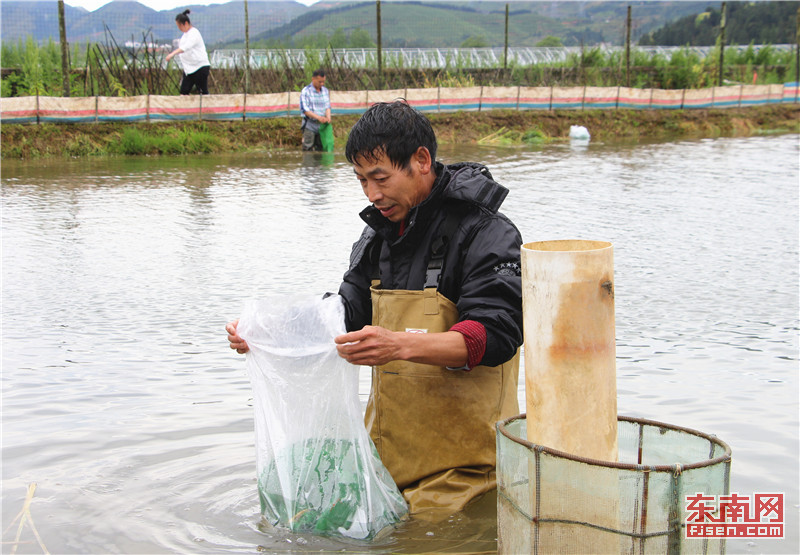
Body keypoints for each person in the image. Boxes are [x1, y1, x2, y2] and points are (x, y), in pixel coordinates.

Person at [227, 100, 522, 515]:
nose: (372, 194)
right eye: (362, 180)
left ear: (421, 160)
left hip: (466, 473)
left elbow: (496, 334)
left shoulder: (487, 232)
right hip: (385, 463)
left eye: (380, 177)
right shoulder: (378, 238)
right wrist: (267, 331)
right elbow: (346, 313)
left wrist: (400, 345)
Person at [165, 10, 211, 95]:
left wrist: (172, 54)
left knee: (203, 92)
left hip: (200, 67)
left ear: (185, 23)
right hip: (189, 70)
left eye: (180, 26)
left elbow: (185, 47)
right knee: (183, 92)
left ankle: (208, 107)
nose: (179, 29)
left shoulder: (194, 33)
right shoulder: (184, 36)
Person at [299, 69, 331, 151]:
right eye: (320, 82)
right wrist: (318, 117)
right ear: (313, 79)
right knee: (307, 149)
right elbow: (305, 110)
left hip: (322, 125)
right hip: (310, 124)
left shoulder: (325, 91)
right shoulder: (306, 91)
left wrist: (328, 117)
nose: (322, 84)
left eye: (323, 82)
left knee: (321, 149)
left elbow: (327, 106)